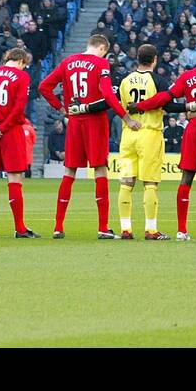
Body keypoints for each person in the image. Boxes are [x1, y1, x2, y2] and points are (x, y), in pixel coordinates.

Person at [132, 41, 196, 241]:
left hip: (192, 131)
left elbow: (166, 97)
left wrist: (140, 105)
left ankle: (181, 230)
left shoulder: (188, 76)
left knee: (186, 178)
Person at [37, 33, 128, 239]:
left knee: (69, 172)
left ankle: (58, 227)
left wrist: (61, 108)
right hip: (94, 122)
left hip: (75, 123)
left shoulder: (68, 62)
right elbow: (107, 93)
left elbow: (44, 87)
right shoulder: (100, 64)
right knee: (100, 171)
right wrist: (125, 117)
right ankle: (103, 227)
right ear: (103, 49)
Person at [117, 44, 183, 240]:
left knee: (126, 183)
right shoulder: (158, 80)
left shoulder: (125, 80)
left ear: (137, 58)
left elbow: (120, 107)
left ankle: (126, 229)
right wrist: (189, 107)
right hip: (149, 134)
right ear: (155, 59)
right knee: (150, 183)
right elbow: (169, 104)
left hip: (129, 134)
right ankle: (151, 229)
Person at [0, 48, 39, 238]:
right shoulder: (21, 76)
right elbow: (19, 107)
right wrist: (2, 128)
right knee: (14, 179)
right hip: (10, 131)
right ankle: (19, 228)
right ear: (21, 61)